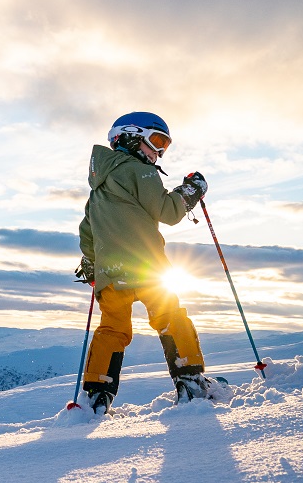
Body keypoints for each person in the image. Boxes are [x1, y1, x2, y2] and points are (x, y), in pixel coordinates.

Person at [76, 111, 211, 414]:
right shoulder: (141, 171)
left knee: (112, 329)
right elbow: (168, 211)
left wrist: (91, 264)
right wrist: (191, 191)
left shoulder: (98, 189)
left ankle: (97, 395)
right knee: (169, 317)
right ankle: (190, 382)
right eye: (157, 141)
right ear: (130, 137)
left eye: (165, 146)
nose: (159, 152)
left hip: (111, 273)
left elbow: (88, 232)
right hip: (149, 269)